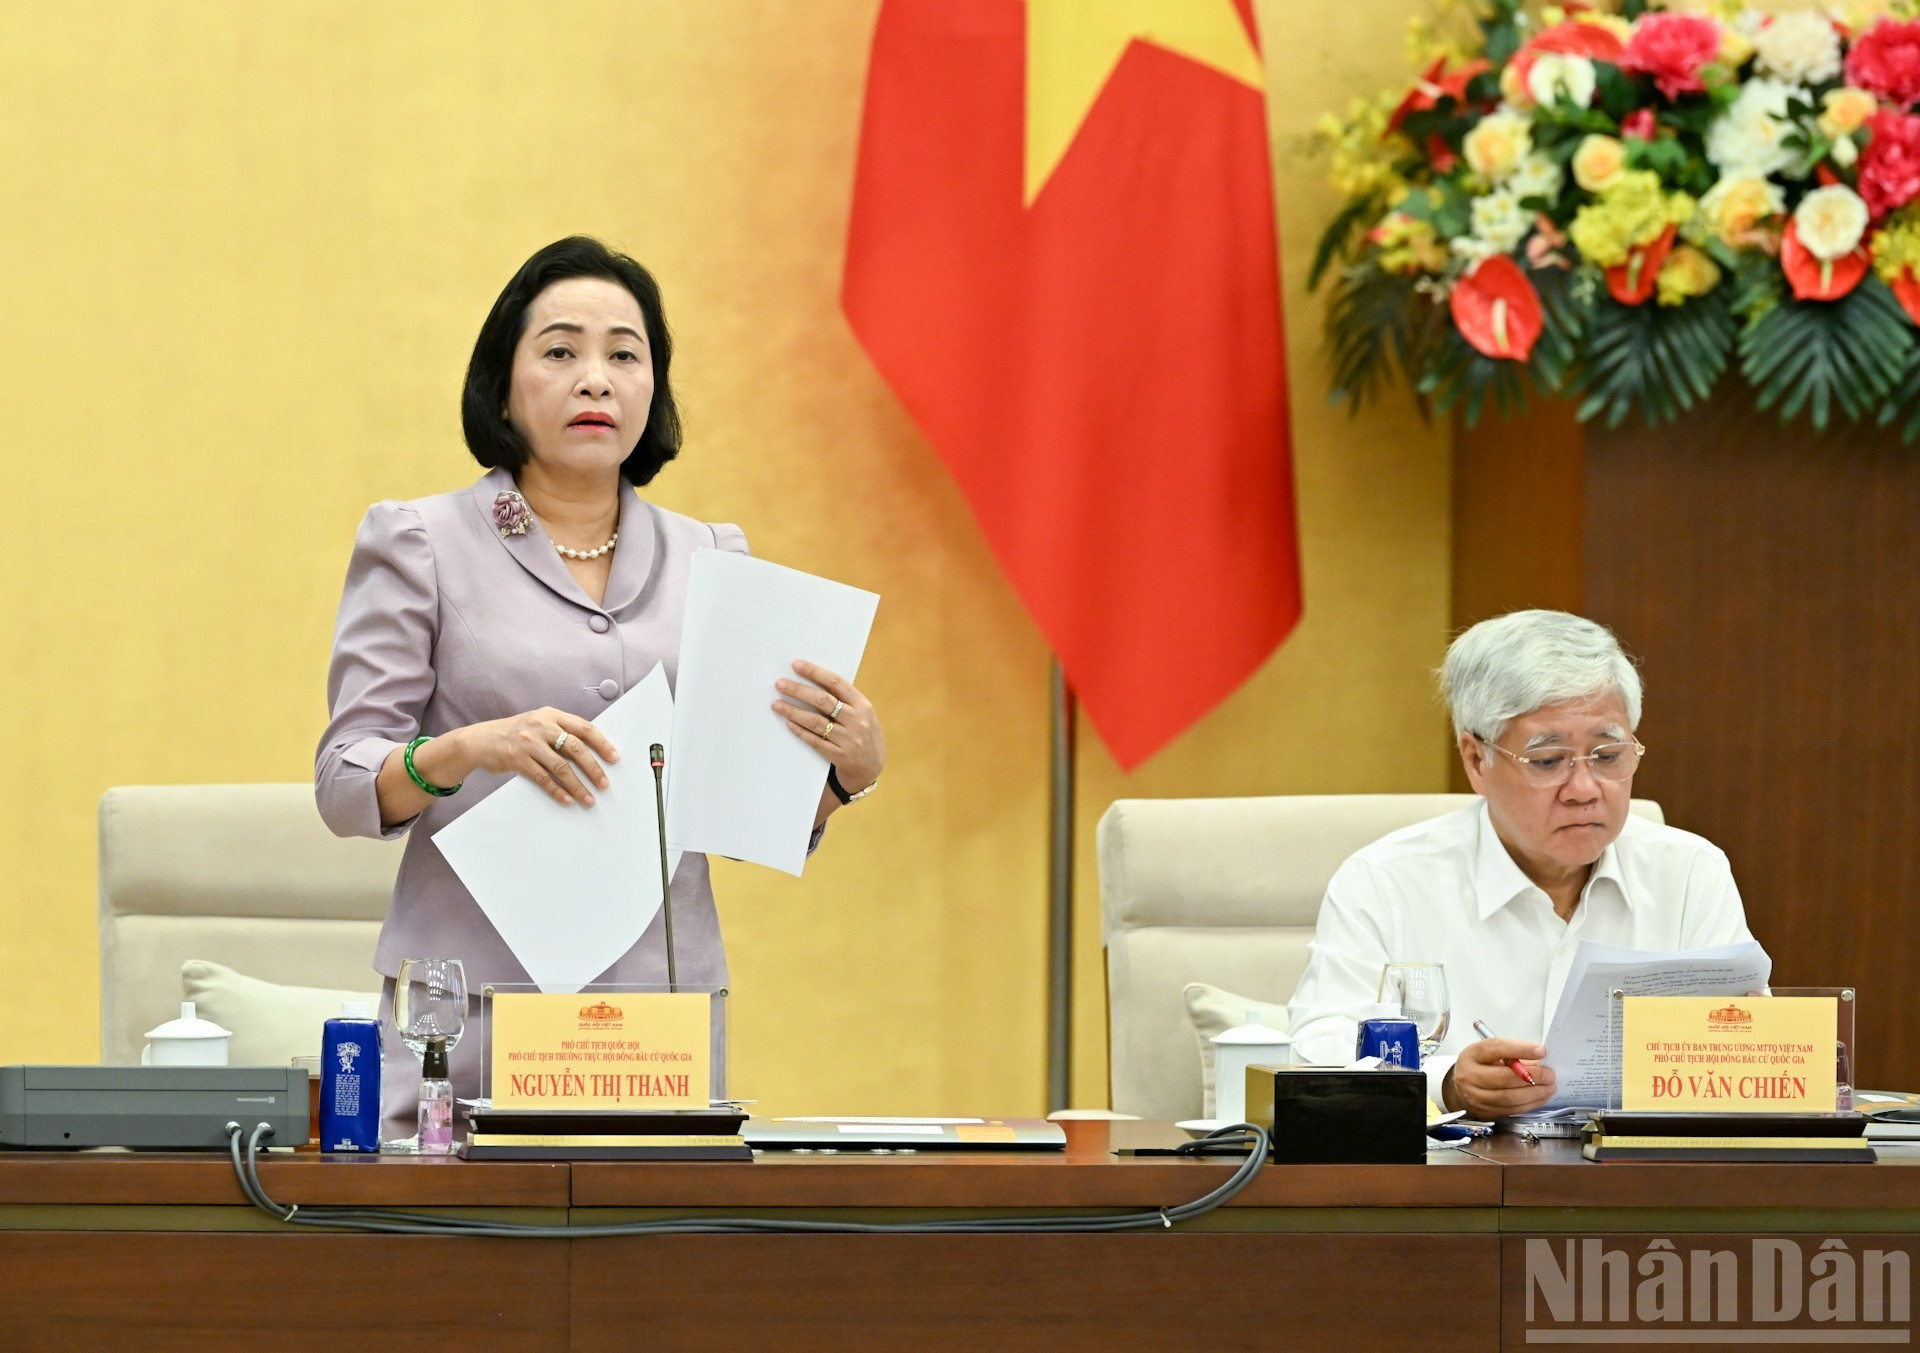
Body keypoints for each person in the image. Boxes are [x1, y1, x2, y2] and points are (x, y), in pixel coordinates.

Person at [315, 236, 886, 1132]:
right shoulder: (422, 542)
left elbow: (734, 815)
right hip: (472, 1012)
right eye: (560, 351)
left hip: (655, 1027)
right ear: (503, 386)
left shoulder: (714, 558)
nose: (596, 379)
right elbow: (345, 782)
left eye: (626, 353)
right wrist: (469, 748)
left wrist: (842, 776)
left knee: (649, 1267)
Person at [1285, 610, 1754, 1119]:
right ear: (1475, 759)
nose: (1584, 790)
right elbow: (1317, 1052)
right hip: (1458, 1185)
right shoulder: (1387, 881)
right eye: (1548, 761)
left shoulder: (1690, 874)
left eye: (1608, 754)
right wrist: (1446, 1082)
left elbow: (1747, 1042)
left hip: (1640, 1178)